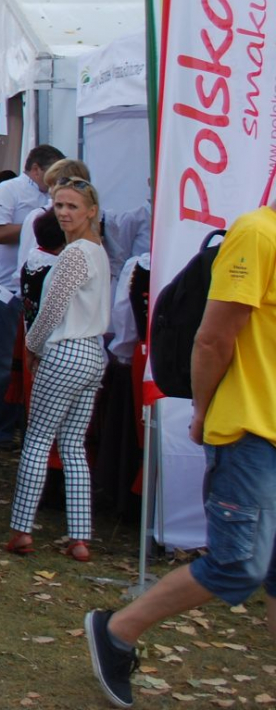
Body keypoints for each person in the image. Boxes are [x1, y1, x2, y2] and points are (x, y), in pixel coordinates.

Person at [85, 200, 276, 708]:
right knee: (238, 564)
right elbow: (212, 339)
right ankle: (117, 630)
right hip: (249, 430)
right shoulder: (258, 234)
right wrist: (204, 412)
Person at [7, 176, 110, 561]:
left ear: (91, 212)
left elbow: (51, 309)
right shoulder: (97, 252)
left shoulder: (75, 254)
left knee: (38, 441)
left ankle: (22, 529)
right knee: (72, 445)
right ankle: (79, 536)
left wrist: (32, 347)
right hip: (91, 353)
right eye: (59, 206)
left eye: (71, 206)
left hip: (67, 349)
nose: (64, 213)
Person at [0, 144, 64, 448]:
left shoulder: (48, 197)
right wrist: (40, 226)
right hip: (7, 290)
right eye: (52, 173)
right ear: (36, 169)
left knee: (27, 364)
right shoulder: (8, 191)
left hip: (35, 290)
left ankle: (19, 426)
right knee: (5, 364)